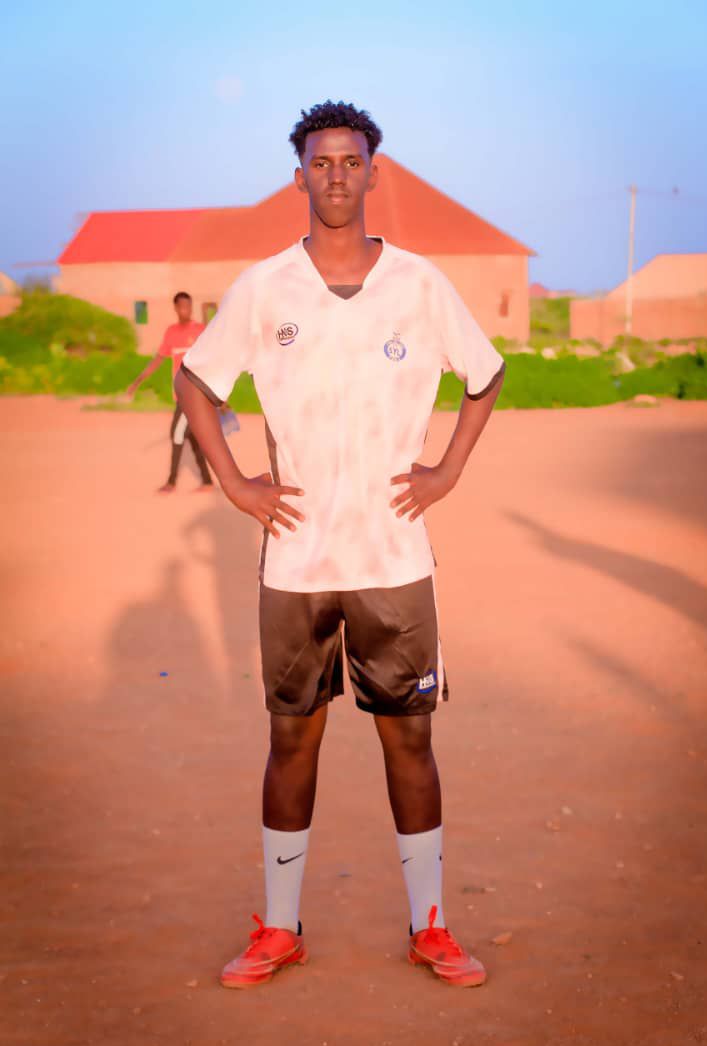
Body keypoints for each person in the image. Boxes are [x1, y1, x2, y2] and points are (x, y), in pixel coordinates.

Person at [176, 101, 506, 989]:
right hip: (297, 562)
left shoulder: (420, 285)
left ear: (372, 173)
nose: (335, 175)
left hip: (394, 559)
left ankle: (431, 926)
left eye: (350, 161)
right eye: (320, 162)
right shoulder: (265, 287)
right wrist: (238, 484)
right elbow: (195, 380)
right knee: (292, 740)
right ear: (299, 177)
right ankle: (280, 929)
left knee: (411, 741)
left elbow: (485, 375)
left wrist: (446, 470)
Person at [127, 291, 214, 493]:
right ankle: (208, 481)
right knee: (193, 438)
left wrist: (215, 391)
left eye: (189, 306)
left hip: (193, 394)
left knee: (176, 434)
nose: (186, 310)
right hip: (180, 394)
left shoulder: (200, 330)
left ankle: (171, 482)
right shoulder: (171, 332)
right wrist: (138, 381)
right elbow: (158, 359)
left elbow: (210, 359)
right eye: (182, 306)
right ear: (175, 308)